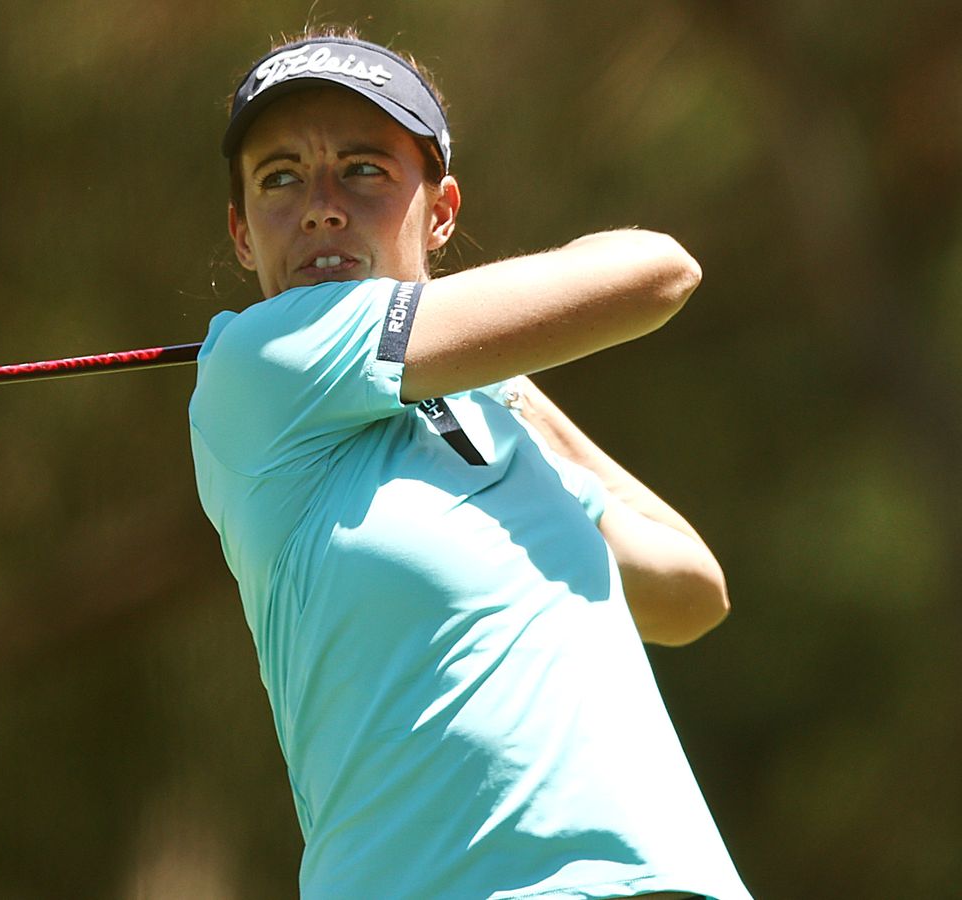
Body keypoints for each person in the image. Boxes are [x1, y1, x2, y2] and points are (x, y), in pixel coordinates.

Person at [188, 28, 753, 899]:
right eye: (281, 176)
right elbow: (656, 270)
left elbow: (687, 589)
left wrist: (503, 379)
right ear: (240, 232)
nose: (321, 206)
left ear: (441, 211)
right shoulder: (263, 362)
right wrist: (482, 347)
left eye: (365, 169)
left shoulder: (489, 412)